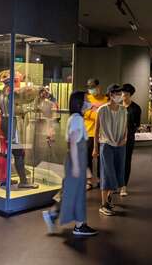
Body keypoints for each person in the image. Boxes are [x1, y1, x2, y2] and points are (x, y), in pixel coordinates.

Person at [42, 91, 98, 236]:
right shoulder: (77, 119)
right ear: (79, 103)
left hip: (76, 160)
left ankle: (60, 217)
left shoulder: (76, 118)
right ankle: (76, 224)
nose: (88, 102)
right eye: (85, 100)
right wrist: (78, 167)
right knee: (73, 192)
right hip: (75, 161)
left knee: (72, 191)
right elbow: (73, 142)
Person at [93, 84, 128, 216]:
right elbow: (96, 131)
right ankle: (103, 204)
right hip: (106, 144)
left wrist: (125, 138)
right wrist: (95, 148)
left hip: (120, 145)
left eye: (120, 93)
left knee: (118, 173)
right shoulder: (102, 110)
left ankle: (108, 199)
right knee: (107, 173)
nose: (119, 96)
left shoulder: (123, 110)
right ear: (111, 95)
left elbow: (125, 127)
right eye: (117, 94)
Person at [84, 78, 108, 190]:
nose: (92, 90)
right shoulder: (86, 98)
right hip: (88, 132)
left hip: (102, 134)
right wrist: (97, 113)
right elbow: (85, 113)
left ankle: (99, 179)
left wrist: (94, 111)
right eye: (90, 88)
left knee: (101, 158)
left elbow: (106, 115)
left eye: (94, 87)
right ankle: (88, 181)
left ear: (99, 87)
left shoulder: (105, 99)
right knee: (87, 157)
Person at [120, 83, 141, 197]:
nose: (124, 95)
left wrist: (129, 132)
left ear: (130, 95)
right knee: (117, 162)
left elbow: (137, 124)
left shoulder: (136, 108)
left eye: (126, 94)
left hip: (128, 139)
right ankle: (116, 184)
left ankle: (124, 186)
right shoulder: (117, 106)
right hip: (115, 138)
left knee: (126, 161)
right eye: (122, 93)